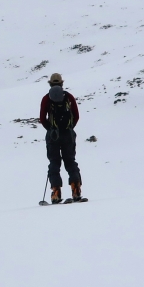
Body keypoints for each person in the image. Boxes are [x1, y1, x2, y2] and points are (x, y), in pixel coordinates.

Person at [39, 72, 83, 203]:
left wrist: (51, 130)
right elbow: (76, 115)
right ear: (62, 83)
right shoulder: (69, 97)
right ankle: (76, 190)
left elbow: (42, 118)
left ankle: (56, 192)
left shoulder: (46, 98)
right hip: (68, 134)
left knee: (54, 162)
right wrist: (69, 128)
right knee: (70, 161)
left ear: (50, 83)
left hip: (53, 135)